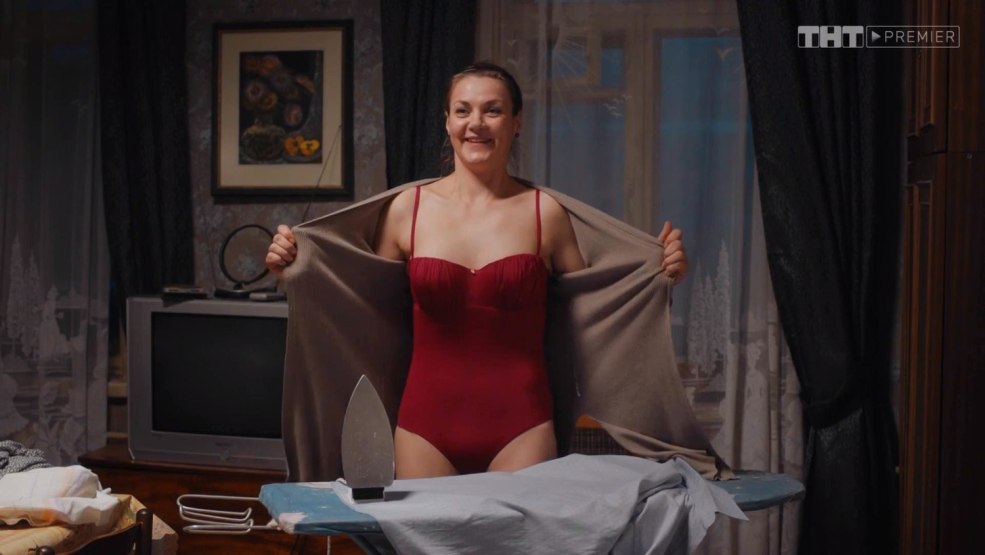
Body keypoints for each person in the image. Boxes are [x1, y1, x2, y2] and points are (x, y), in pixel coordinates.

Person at [266, 62, 689, 479]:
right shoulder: (407, 210)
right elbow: (367, 312)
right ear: (447, 121)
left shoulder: (545, 213)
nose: (476, 123)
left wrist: (653, 278)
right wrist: (302, 271)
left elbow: (593, 314)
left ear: (516, 122)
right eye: (463, 110)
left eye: (493, 110)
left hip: (523, 429)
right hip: (423, 431)